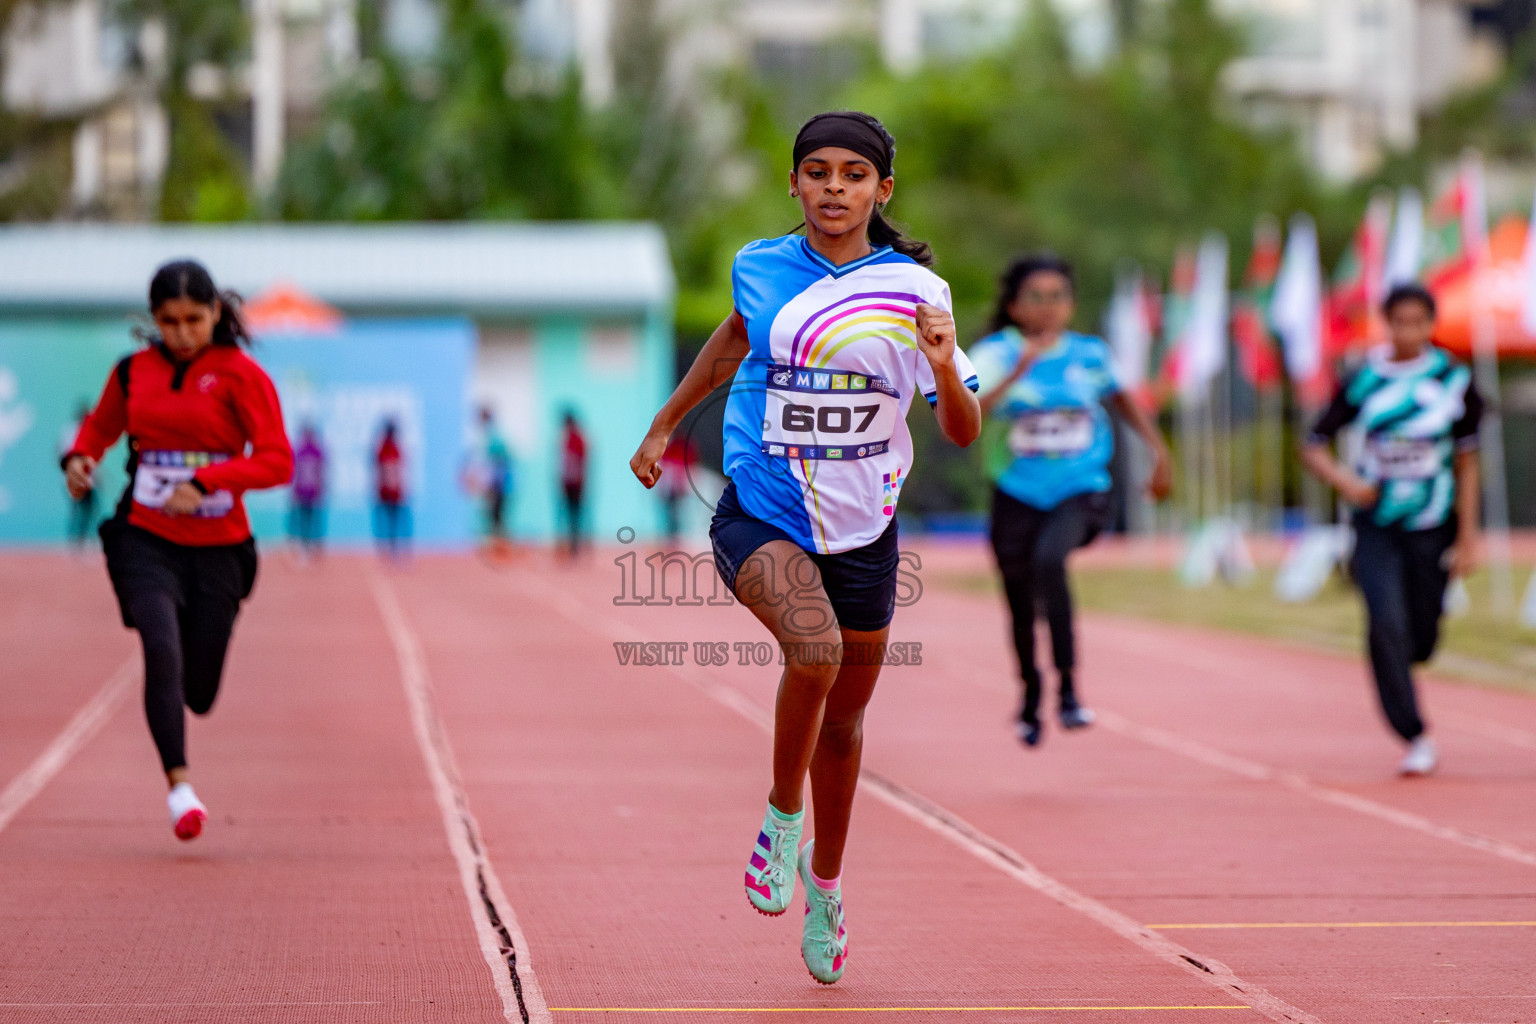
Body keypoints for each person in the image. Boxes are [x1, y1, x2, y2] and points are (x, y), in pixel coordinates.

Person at [630, 110, 981, 985]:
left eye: (853, 174)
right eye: (816, 171)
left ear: (881, 190)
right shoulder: (760, 266)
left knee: (850, 723)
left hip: (865, 528)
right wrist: (663, 427)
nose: (834, 187)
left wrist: (940, 367)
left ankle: (825, 887)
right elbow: (731, 342)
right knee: (813, 650)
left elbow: (967, 431)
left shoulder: (916, 292)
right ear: (794, 183)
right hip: (762, 506)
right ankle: (782, 819)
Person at [61, 260, 292, 841]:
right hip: (144, 537)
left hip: (219, 548)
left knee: (200, 691)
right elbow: (98, 429)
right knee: (159, 646)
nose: (183, 333)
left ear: (216, 313)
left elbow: (276, 460)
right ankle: (180, 789)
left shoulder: (241, 376)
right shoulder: (133, 372)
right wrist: (80, 460)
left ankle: (187, 724)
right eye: (170, 322)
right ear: (154, 320)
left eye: (194, 319)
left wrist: (210, 482)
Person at [969, 254, 1172, 747]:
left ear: (1071, 304)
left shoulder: (1091, 354)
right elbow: (969, 412)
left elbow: (1125, 400)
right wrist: (1018, 370)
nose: (1047, 307)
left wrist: (1159, 452)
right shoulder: (994, 354)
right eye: (1035, 298)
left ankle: (1069, 690)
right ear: (1015, 306)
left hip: (1081, 488)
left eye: (1057, 297)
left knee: (1050, 560)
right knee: (1018, 599)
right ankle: (1030, 696)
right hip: (1016, 489)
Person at [1301, 283, 1482, 777]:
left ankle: (1410, 653)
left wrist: (1468, 537)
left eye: (1417, 322)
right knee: (1385, 622)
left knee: (1420, 637)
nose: (1407, 331)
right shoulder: (1365, 378)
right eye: (1398, 322)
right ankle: (1413, 732)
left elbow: (1468, 462)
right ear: (1386, 323)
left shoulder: (1454, 380)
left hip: (1432, 522)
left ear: (1430, 324)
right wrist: (1347, 483)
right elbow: (1314, 442)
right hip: (1377, 522)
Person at [59, 401, 97, 549]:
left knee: (87, 509)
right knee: (78, 509)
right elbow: (63, 453)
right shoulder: (73, 431)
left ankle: (80, 538)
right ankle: (76, 540)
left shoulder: (81, 430)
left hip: (86, 478)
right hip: (75, 477)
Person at [373, 419, 410, 561]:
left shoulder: (392, 448)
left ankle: (393, 546)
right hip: (387, 491)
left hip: (394, 491)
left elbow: (399, 470)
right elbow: (380, 469)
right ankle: (387, 546)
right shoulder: (384, 448)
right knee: (387, 520)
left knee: (394, 520)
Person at [289, 422, 326, 560]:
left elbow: (320, 472)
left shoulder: (311, 451)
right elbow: (295, 473)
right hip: (304, 491)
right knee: (305, 520)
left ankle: (312, 545)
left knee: (312, 520)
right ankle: (306, 545)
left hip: (311, 491)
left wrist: (322, 489)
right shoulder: (303, 451)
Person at [659, 433, 698, 546]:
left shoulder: (679, 447)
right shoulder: (673, 448)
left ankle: (679, 536)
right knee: (672, 512)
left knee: (678, 512)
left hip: (678, 486)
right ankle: (673, 536)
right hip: (672, 487)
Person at [558, 409, 587, 559]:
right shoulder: (567, 438)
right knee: (570, 515)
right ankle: (571, 546)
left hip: (575, 483)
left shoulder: (577, 439)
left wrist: (578, 480)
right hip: (568, 482)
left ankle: (576, 547)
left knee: (576, 515)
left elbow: (579, 462)